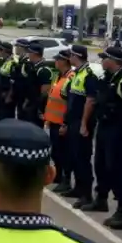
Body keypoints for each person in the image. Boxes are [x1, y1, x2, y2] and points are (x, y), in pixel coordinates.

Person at [90, 47, 122, 226]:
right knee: (100, 165)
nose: (102, 61)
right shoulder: (108, 77)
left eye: (104, 58)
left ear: (113, 60)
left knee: (116, 169)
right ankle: (100, 199)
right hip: (104, 126)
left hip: (117, 130)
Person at [63, 45, 102, 210]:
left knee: (83, 158)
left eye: (71, 55)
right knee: (74, 156)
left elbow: (90, 101)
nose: (69, 58)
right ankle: (78, 188)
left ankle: (86, 194)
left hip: (82, 122)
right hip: (73, 121)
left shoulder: (89, 75)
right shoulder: (77, 74)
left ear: (76, 56)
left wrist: (84, 124)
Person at [45, 49, 75, 193]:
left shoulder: (71, 77)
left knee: (64, 153)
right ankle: (58, 175)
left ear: (64, 61)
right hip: (54, 120)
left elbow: (70, 103)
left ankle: (66, 179)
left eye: (58, 59)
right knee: (56, 152)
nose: (55, 62)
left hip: (62, 122)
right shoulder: (58, 76)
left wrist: (65, 123)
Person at [23, 43, 53, 128]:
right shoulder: (33, 67)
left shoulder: (43, 70)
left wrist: (39, 109)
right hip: (30, 104)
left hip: (36, 107)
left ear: (35, 54)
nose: (28, 54)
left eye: (29, 52)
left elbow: (45, 92)